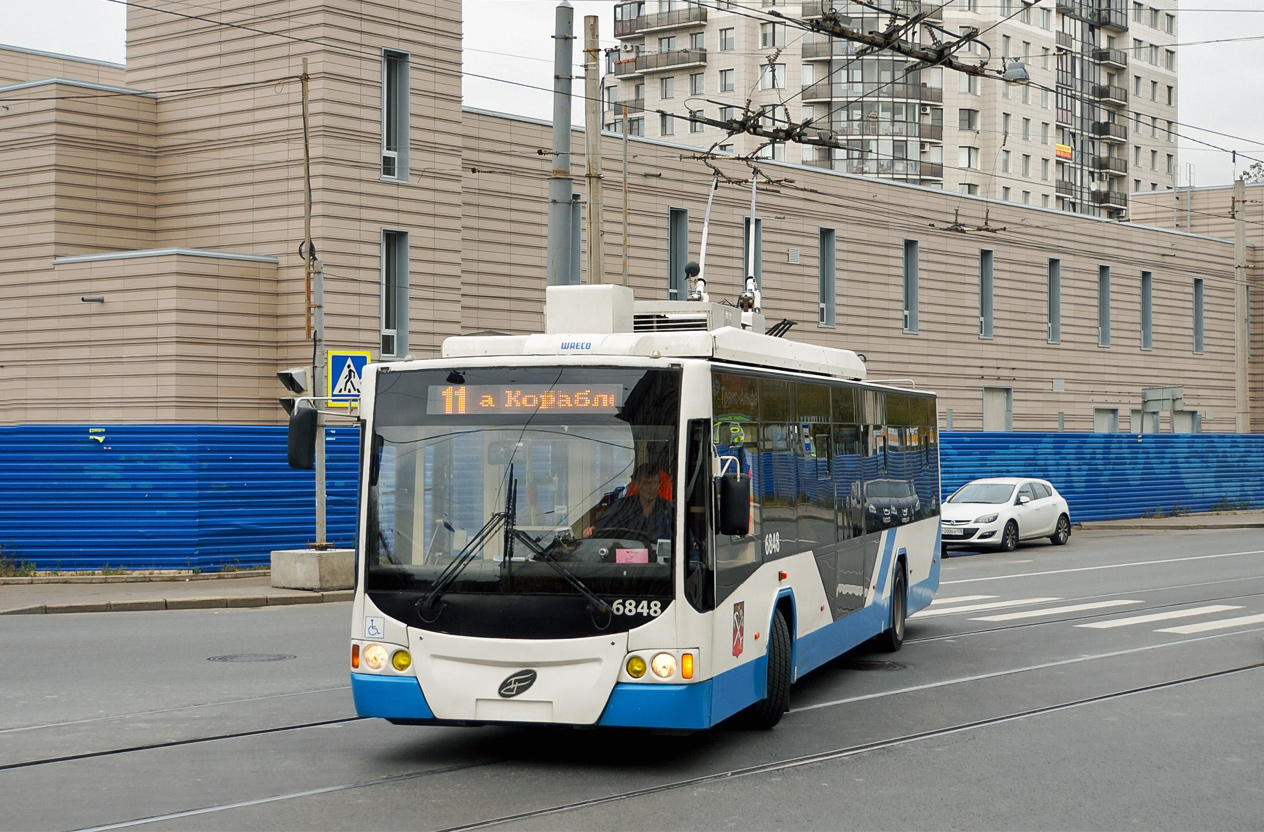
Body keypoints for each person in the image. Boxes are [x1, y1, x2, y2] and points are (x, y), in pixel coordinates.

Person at [589, 462, 673, 542]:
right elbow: (604, 526)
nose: (652, 488)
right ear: (637, 484)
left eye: (655, 482)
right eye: (647, 483)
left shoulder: (667, 508)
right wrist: (593, 529)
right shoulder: (623, 506)